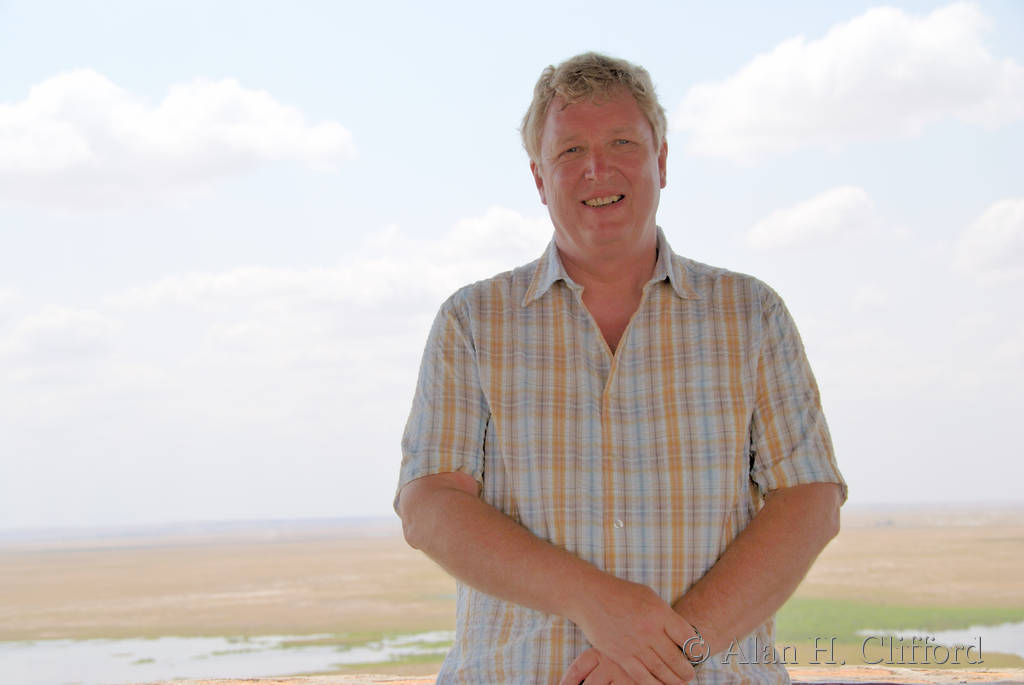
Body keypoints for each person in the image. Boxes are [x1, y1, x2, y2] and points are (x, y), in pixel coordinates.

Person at [395, 52, 846, 685]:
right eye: (570, 150)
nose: (597, 168)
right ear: (539, 177)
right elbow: (430, 505)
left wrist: (668, 652)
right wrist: (595, 601)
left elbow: (810, 499)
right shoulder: (472, 321)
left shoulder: (751, 315)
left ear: (662, 160)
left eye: (622, 143)